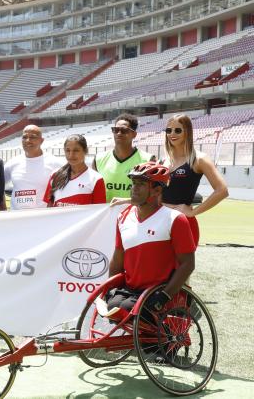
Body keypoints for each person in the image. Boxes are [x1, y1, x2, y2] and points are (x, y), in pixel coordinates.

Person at [106, 162, 196, 321]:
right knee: (112, 306)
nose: (134, 188)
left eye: (141, 184)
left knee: (127, 309)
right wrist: (110, 287)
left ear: (157, 190)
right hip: (130, 290)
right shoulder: (123, 217)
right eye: (133, 183)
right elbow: (117, 258)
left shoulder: (175, 219)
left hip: (158, 292)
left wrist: (165, 296)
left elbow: (188, 264)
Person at [160, 114, 228, 245]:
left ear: (188, 132)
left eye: (178, 130)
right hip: (159, 221)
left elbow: (222, 190)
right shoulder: (163, 160)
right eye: (169, 130)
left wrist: (193, 213)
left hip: (182, 222)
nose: (172, 134)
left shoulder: (199, 159)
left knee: (182, 265)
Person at [94, 113, 155, 203]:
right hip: (105, 216)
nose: (119, 133)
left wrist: (126, 201)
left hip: (135, 216)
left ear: (134, 134)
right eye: (116, 130)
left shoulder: (148, 160)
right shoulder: (98, 159)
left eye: (124, 130)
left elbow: (153, 194)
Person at [3, 125, 62, 210]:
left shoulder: (55, 163)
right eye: (24, 137)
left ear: (42, 141)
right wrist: (3, 209)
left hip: (42, 219)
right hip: (17, 219)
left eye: (32, 137)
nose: (28, 141)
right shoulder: (12, 163)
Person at [44, 135, 106, 207]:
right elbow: (48, 206)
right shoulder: (55, 175)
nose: (71, 155)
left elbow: (99, 211)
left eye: (76, 150)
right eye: (68, 150)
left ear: (85, 151)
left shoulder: (96, 179)